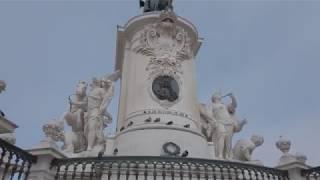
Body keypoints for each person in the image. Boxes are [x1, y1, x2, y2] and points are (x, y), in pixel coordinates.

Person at [85, 74, 117, 152]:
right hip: (88, 114)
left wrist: (110, 87)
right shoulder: (91, 92)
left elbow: (105, 101)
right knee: (88, 130)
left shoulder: (100, 90)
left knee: (92, 128)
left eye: (92, 83)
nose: (90, 84)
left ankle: (89, 147)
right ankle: (90, 145)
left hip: (95, 112)